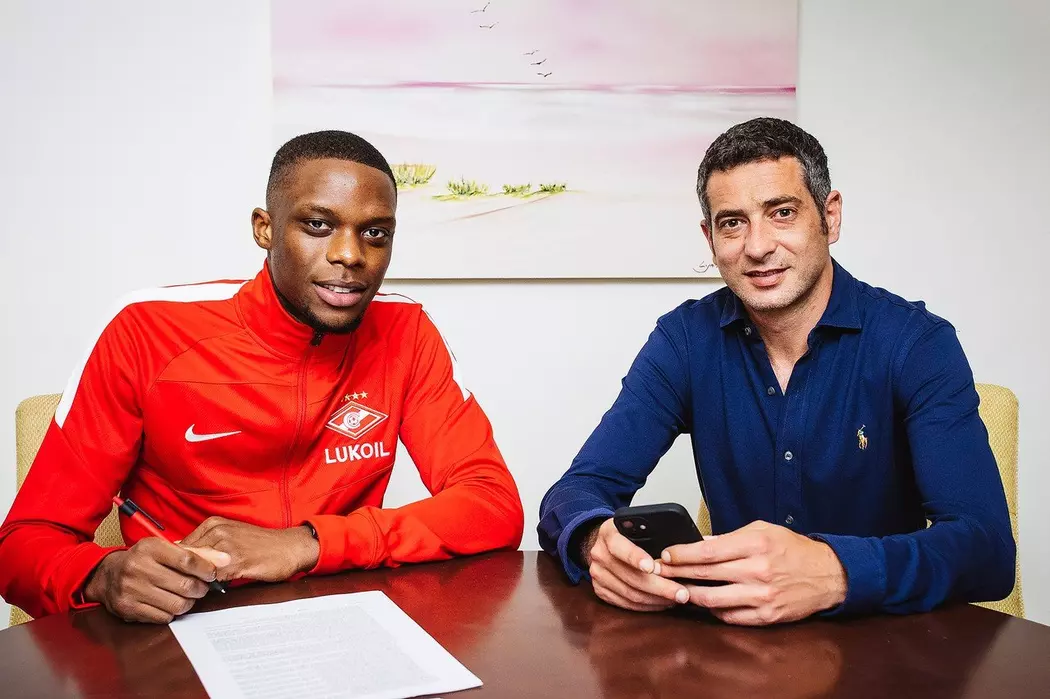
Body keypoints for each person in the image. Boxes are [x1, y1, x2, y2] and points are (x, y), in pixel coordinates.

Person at [0, 130, 524, 623]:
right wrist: (101, 574)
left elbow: (492, 504)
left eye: (375, 233)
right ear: (265, 229)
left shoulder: (405, 330)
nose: (349, 255)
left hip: (342, 620)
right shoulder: (146, 330)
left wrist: (307, 543)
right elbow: (23, 545)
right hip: (188, 625)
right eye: (318, 225)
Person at [538, 117, 1014, 625]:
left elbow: (986, 551)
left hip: (885, 644)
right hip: (733, 645)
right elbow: (575, 491)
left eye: (782, 213)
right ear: (709, 238)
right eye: (732, 223)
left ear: (829, 217)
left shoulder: (916, 343)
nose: (758, 246)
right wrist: (595, 541)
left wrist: (836, 572)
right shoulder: (684, 340)